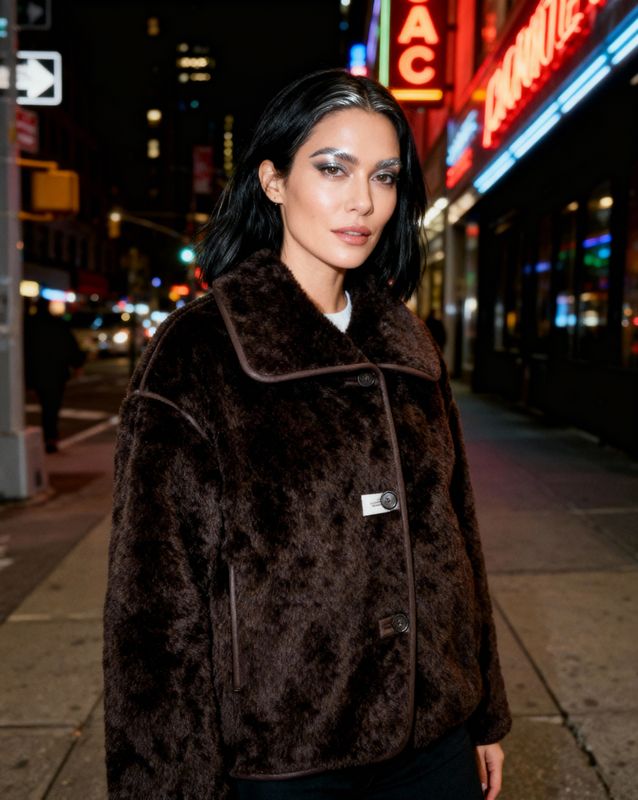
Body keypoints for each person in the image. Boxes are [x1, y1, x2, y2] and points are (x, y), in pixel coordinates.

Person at [103, 70, 511, 800]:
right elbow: (153, 617)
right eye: (332, 168)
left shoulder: (408, 341)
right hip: (287, 763)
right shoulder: (200, 352)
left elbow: (460, 544)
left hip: (435, 740)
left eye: (384, 177)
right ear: (272, 180)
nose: (363, 201)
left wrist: (483, 716)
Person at [24, 297, 85, 453]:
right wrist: (77, 364)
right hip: (56, 373)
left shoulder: (29, 325)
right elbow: (71, 347)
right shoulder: (58, 324)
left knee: (43, 405)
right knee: (51, 407)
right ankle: (50, 437)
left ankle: (47, 437)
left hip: (36, 372)